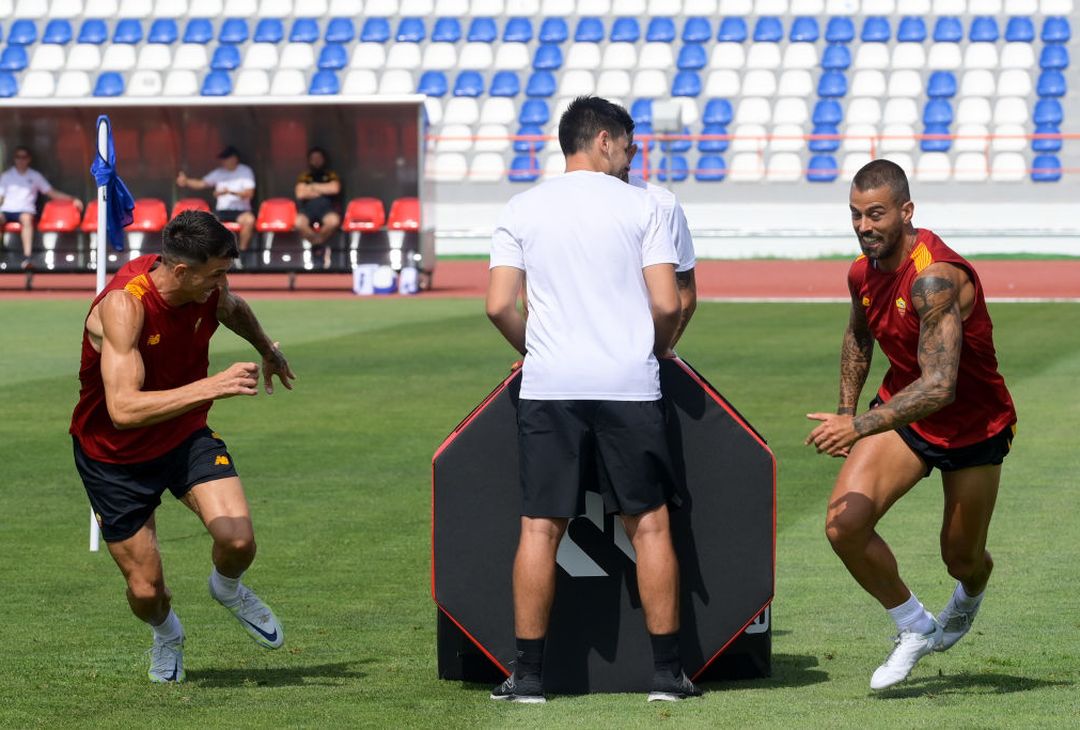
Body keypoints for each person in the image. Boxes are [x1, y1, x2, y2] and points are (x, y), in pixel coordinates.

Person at [485, 96, 701, 704]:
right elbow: (667, 302)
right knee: (651, 526)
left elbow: (499, 304)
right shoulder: (643, 205)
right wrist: (651, 352)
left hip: (550, 384)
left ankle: (527, 678)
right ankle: (666, 677)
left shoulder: (522, 207)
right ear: (604, 140)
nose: (631, 156)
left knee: (539, 527)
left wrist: (537, 348)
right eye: (628, 146)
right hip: (629, 383)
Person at [805, 159, 1017, 691]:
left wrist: (857, 429)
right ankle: (913, 627)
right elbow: (859, 335)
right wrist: (848, 410)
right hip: (905, 417)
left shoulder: (934, 279)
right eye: (855, 215)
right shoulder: (862, 270)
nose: (863, 226)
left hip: (972, 426)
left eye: (875, 214)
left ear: (906, 211)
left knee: (960, 557)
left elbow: (940, 385)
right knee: (843, 526)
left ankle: (970, 593)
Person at [70, 210, 296, 683]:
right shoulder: (124, 307)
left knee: (238, 540)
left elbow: (232, 308)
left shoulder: (207, 288)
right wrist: (212, 385)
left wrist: (267, 350)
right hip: (115, 457)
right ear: (180, 271)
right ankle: (167, 634)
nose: (224, 282)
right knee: (147, 592)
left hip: (184, 434)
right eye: (217, 272)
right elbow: (124, 410)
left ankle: (228, 588)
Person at [623, 169, 696, 346]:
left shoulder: (662, 204)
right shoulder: (555, 203)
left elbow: (684, 294)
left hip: (639, 360)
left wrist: (658, 355)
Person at [0, 145, 84, 270]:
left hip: (25, 210)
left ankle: (27, 257)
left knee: (26, 219)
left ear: (28, 159)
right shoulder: (6, 176)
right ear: (14, 159)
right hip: (7, 210)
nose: (21, 160)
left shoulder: (35, 176)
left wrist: (72, 199)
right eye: (18, 157)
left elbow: (51, 193)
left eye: (24, 157)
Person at [176, 146, 256, 253]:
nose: (223, 161)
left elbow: (249, 193)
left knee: (249, 220)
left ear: (234, 158)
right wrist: (186, 181)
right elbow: (201, 184)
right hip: (221, 211)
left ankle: (242, 253)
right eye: (223, 159)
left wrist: (230, 192)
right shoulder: (219, 172)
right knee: (205, 223)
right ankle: (208, 255)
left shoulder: (245, 171)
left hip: (241, 211)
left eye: (226, 158)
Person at [294, 146, 342, 269]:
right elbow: (300, 193)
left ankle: (316, 247)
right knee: (299, 223)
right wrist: (324, 189)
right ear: (309, 161)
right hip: (308, 209)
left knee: (333, 221)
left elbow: (335, 189)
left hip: (326, 208)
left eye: (318, 158)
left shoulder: (330, 175)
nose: (316, 161)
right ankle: (319, 246)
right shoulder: (305, 176)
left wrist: (311, 187)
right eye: (313, 158)